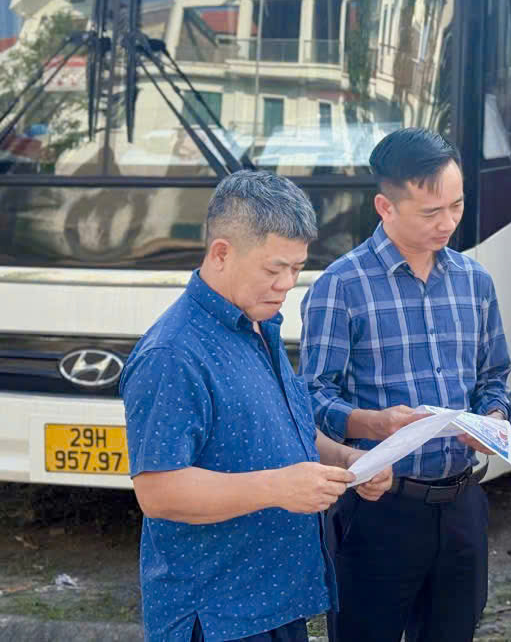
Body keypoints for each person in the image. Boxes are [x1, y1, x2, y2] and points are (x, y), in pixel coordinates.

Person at [120, 170, 393, 642]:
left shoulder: (255, 323)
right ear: (221, 253)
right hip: (218, 615)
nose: (287, 284)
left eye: (296, 268)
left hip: (275, 602)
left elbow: (288, 427)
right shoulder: (172, 355)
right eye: (274, 269)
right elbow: (159, 492)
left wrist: (348, 459)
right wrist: (278, 488)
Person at [299, 128, 511, 642]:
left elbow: (494, 377)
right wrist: (373, 423)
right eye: (430, 212)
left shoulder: (473, 281)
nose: (447, 224)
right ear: (385, 206)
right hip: (378, 510)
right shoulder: (341, 287)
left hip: (463, 505)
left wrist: (490, 420)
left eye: (457, 207)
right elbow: (309, 398)